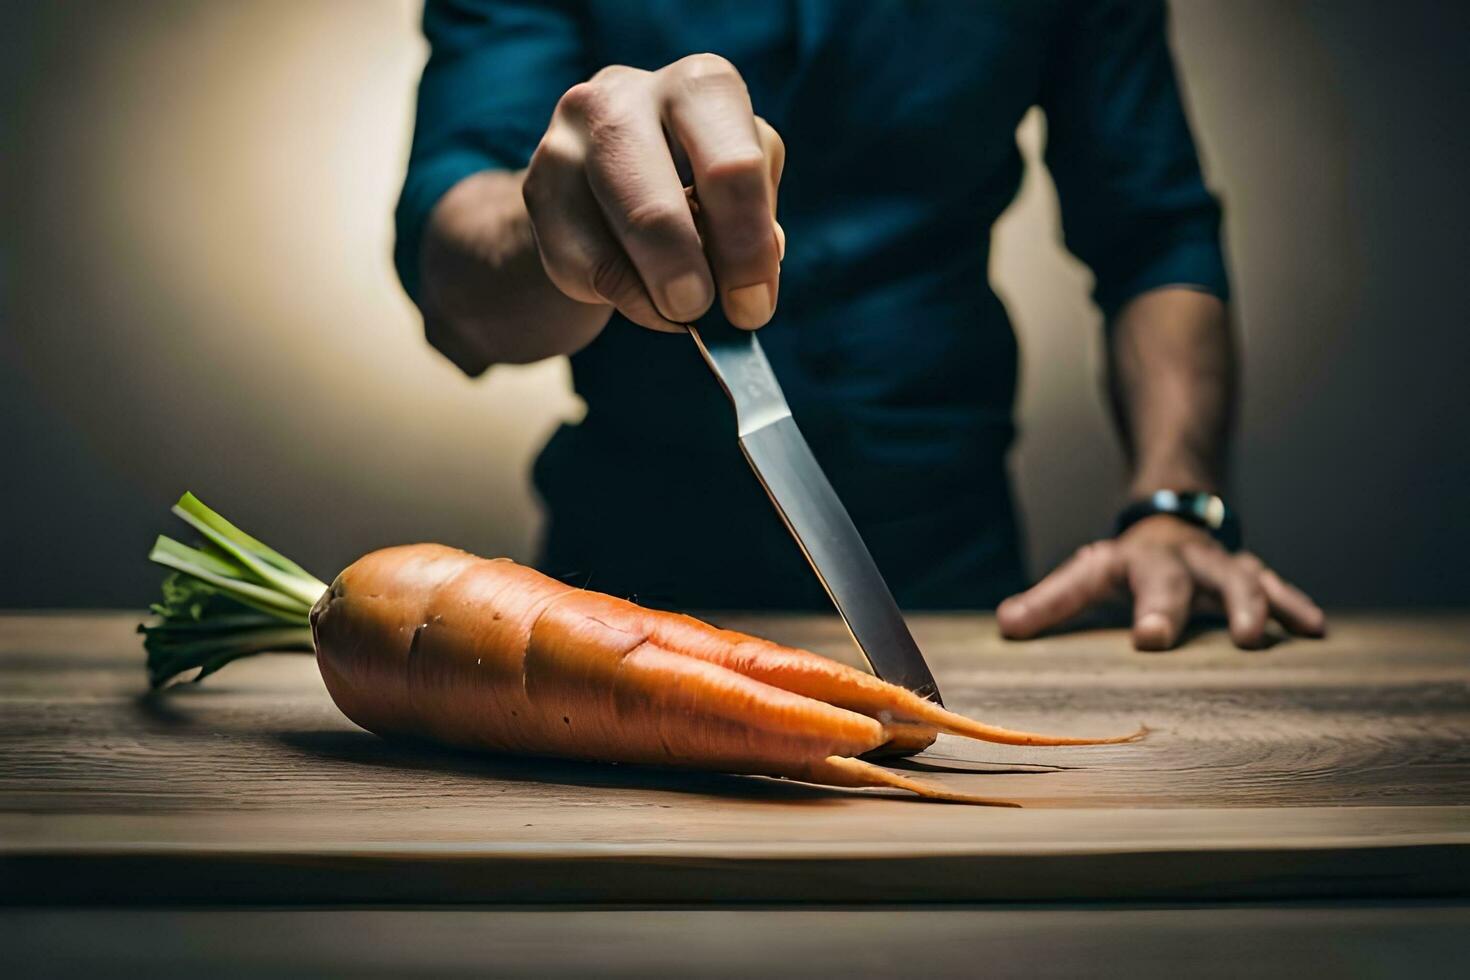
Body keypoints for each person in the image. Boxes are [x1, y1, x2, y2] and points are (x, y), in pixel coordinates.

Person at [393, 0, 1326, 651]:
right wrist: (558, 231)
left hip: (956, 573)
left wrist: (1175, 505)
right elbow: (459, 282)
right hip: (614, 592)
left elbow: (1153, 236)